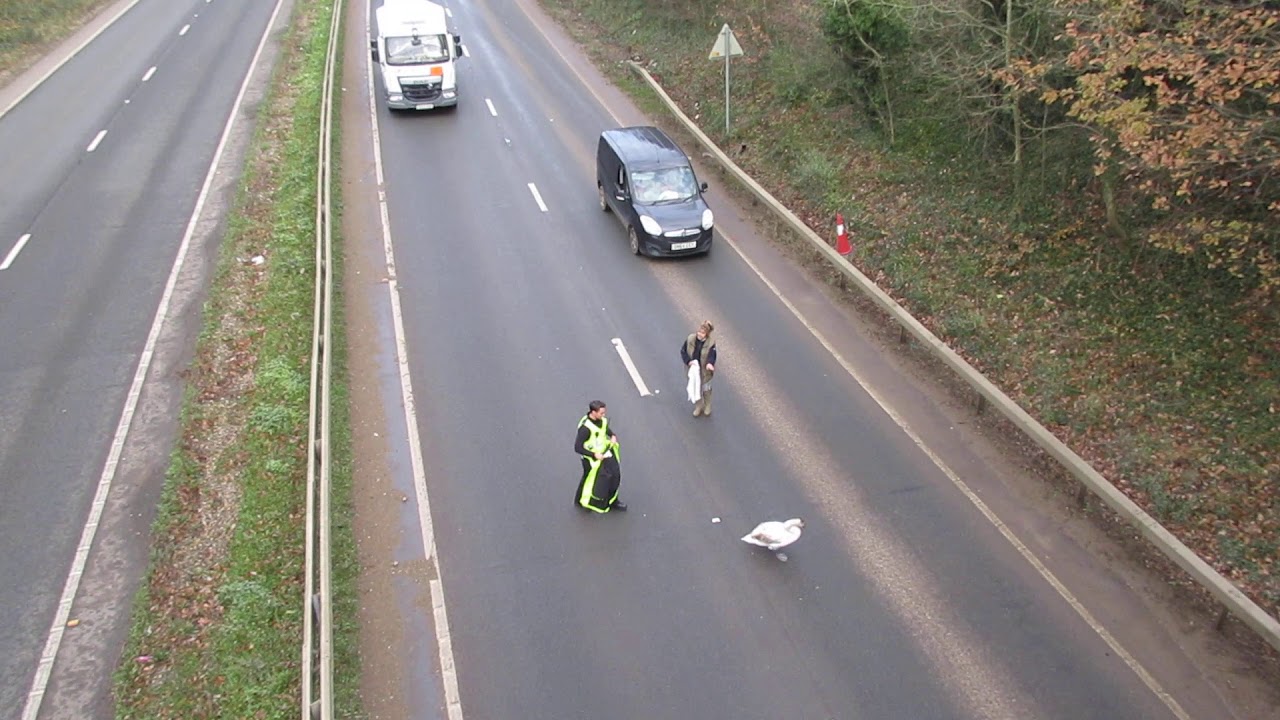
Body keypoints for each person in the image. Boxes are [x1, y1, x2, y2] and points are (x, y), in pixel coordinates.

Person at [574, 400, 626, 512]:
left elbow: (605, 429)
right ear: (593, 412)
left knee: (615, 476)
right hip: (591, 459)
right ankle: (581, 501)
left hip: (605, 453)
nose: (603, 415)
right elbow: (578, 448)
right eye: (601, 413)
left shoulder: (601, 421)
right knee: (588, 480)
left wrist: (612, 435)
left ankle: (613, 500)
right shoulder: (585, 428)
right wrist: (594, 454)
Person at [681, 321, 717, 417]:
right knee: (695, 387)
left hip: (705, 371)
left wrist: (710, 363)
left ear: (707, 334)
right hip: (693, 369)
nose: (700, 335)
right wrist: (688, 361)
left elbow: (712, 355)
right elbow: (683, 351)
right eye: (699, 332)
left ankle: (707, 405)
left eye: (702, 333)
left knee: (706, 388)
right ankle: (698, 406)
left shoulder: (710, 343)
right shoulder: (690, 339)